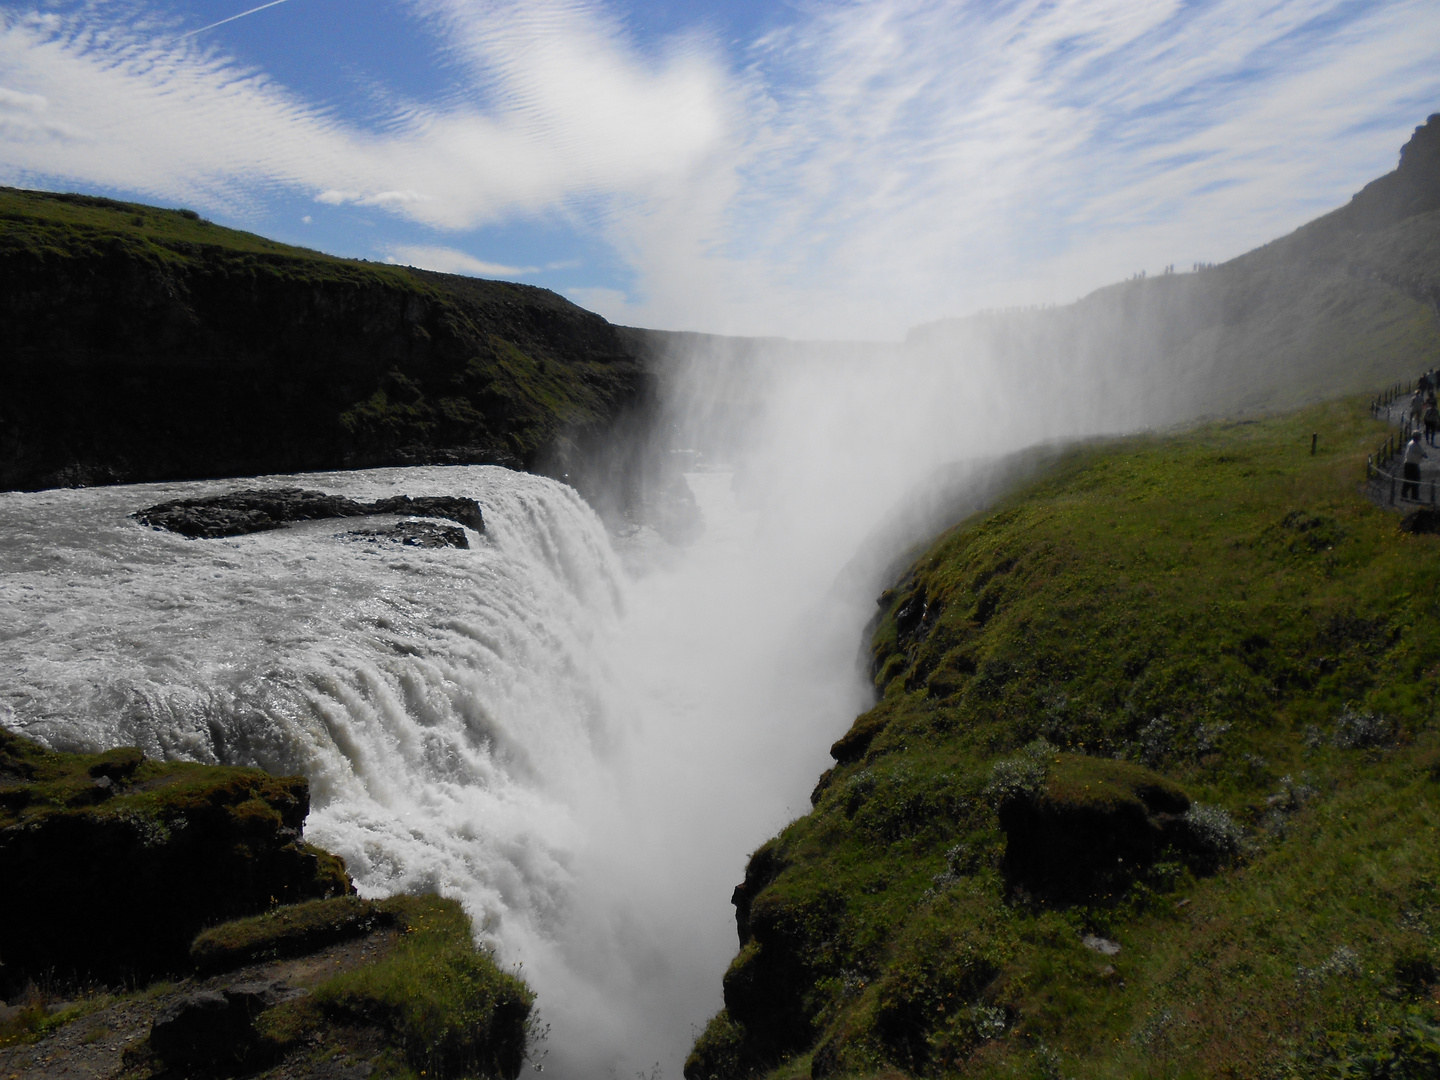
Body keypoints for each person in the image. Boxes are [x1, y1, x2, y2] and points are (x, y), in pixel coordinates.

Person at [1402, 431, 1427, 500]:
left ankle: (1406, 495)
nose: (1420, 437)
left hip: (1409, 464)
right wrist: (1422, 455)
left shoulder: (1412, 443)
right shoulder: (1414, 445)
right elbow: (1415, 455)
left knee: (1408, 480)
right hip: (1412, 464)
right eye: (1419, 436)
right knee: (1414, 480)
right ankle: (1413, 496)